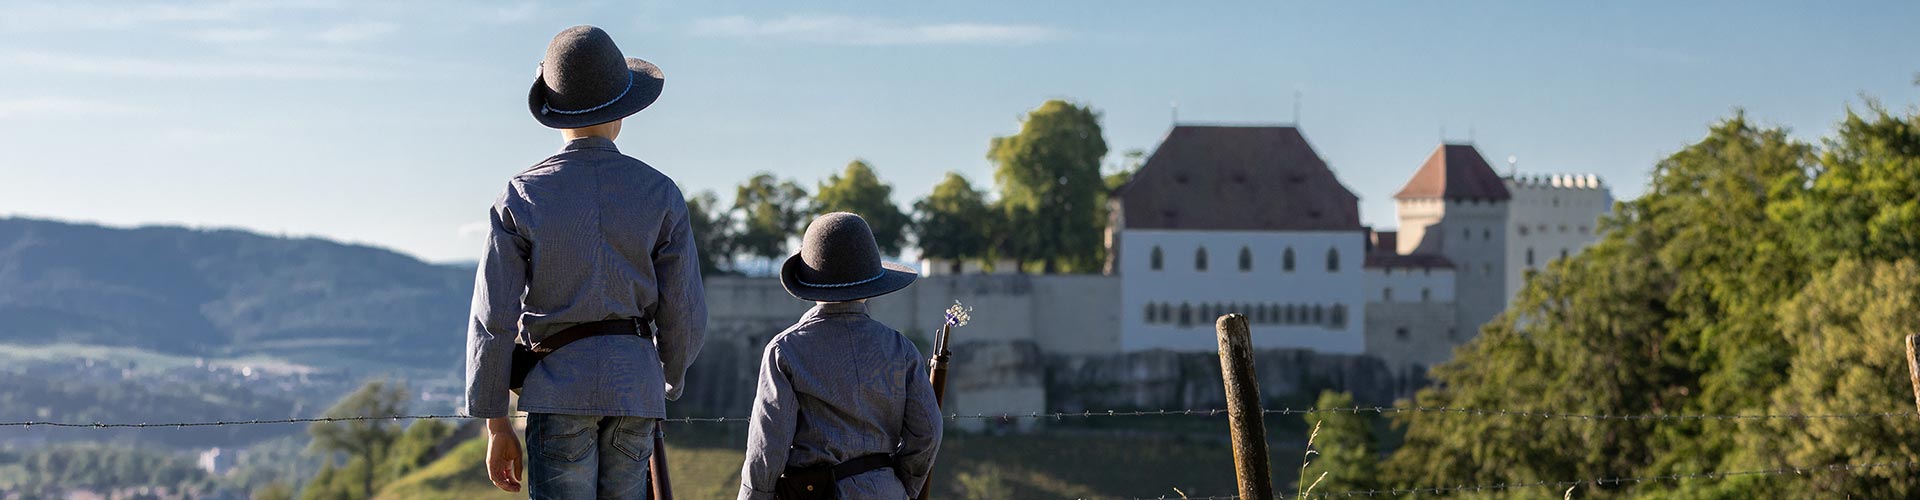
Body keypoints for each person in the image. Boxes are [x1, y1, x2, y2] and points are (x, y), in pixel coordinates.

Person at [463, 25, 706, 499]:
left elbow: (493, 319)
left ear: (556, 116)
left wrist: (496, 422)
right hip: (634, 389)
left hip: (558, 389)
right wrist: (664, 381)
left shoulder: (522, 194)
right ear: (622, 113)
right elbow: (685, 312)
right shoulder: (661, 193)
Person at [739, 212, 943, 500]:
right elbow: (928, 432)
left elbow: (768, 447)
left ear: (810, 283)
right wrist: (899, 484)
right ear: (871, 283)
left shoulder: (785, 350)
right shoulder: (901, 347)